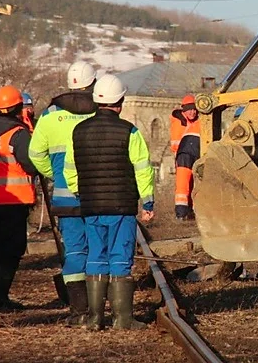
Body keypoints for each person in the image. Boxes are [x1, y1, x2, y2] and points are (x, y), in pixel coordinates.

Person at [63, 74, 155, 331]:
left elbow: (70, 170)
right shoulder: (130, 132)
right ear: (120, 101)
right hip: (121, 206)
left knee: (95, 256)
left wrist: (81, 193)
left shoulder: (79, 131)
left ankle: (94, 318)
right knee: (120, 257)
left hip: (91, 206)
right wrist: (148, 203)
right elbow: (143, 170)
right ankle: (122, 319)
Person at [29, 61, 97, 325]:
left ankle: (79, 312)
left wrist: (54, 175)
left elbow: (35, 154)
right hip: (98, 196)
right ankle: (100, 307)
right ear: (92, 83)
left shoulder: (50, 116)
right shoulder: (101, 113)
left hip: (65, 196)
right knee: (98, 249)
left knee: (75, 252)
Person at [0, 85, 37, 310]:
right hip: (12, 203)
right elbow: (32, 164)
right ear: (18, 107)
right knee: (9, 251)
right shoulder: (18, 134)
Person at [174, 130, 199, 220]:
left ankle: (183, 213)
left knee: (184, 184)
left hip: (184, 150)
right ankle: (183, 213)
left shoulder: (178, 119)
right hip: (187, 150)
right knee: (184, 184)